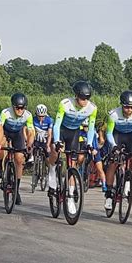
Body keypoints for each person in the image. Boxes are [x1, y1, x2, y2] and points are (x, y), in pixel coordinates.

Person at [48, 81, 97, 215]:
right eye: (82, 98)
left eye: (87, 98)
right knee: (54, 149)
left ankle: (70, 197)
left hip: (74, 133)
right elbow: (56, 125)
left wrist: (89, 143)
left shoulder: (92, 108)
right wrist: (57, 141)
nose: (85, 101)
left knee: (72, 165)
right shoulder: (65, 104)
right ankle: (52, 171)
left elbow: (91, 129)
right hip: (62, 130)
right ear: (76, 96)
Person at [0, 93, 35, 205]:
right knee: (1, 146)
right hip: (5, 132)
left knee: (19, 158)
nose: (20, 110)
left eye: (22, 108)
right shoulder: (5, 113)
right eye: (17, 107)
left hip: (17, 134)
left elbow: (31, 132)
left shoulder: (28, 115)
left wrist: (29, 145)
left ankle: (16, 189)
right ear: (13, 106)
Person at [78, 119, 107, 191]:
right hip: (84, 149)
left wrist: (95, 150)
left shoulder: (93, 132)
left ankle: (104, 184)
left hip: (94, 150)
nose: (86, 128)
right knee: (80, 159)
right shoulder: (80, 132)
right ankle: (80, 173)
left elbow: (95, 143)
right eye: (84, 126)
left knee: (99, 168)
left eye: (87, 126)